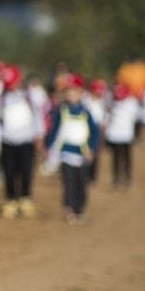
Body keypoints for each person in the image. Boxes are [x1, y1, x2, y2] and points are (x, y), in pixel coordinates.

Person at [47, 75, 99, 224]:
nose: (70, 94)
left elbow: (94, 132)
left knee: (81, 184)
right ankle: (69, 209)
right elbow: (54, 131)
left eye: (73, 91)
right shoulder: (60, 110)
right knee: (68, 184)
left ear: (81, 92)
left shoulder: (85, 112)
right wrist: (48, 147)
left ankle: (80, 209)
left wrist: (91, 148)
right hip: (65, 154)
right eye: (67, 91)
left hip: (81, 154)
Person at [0, 64, 41, 219]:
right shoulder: (2, 98)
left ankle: (25, 199)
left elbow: (38, 116)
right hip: (7, 141)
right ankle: (10, 200)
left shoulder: (29, 95)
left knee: (26, 171)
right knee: (8, 172)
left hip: (26, 141)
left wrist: (39, 135)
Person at [105, 82, 139, 189]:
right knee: (115, 158)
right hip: (114, 135)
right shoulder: (111, 102)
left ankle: (128, 177)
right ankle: (116, 178)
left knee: (127, 157)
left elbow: (136, 118)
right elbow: (107, 117)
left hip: (126, 135)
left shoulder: (132, 103)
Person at [85, 79, 109, 184]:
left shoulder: (102, 102)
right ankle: (84, 172)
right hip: (86, 129)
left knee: (95, 152)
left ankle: (92, 175)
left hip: (97, 129)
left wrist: (103, 135)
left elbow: (104, 119)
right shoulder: (86, 100)